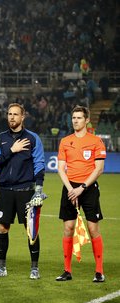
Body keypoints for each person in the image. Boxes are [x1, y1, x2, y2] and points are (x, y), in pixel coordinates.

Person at [0, 103, 46, 279]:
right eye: (9, 114)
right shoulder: (0, 139)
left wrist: (38, 190)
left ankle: (34, 269)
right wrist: (12, 150)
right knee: (2, 228)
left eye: (15, 114)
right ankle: (1, 268)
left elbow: (39, 164)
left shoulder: (32, 138)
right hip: (5, 190)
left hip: (26, 191)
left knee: (31, 230)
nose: (11, 117)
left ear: (23, 117)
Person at [56, 105, 106, 282]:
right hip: (70, 188)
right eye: (73, 118)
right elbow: (61, 168)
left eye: (79, 118)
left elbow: (99, 169)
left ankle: (99, 271)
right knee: (68, 228)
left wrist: (82, 188)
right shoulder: (65, 141)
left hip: (89, 188)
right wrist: (71, 189)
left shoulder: (96, 141)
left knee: (93, 228)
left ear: (86, 120)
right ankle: (67, 270)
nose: (75, 121)